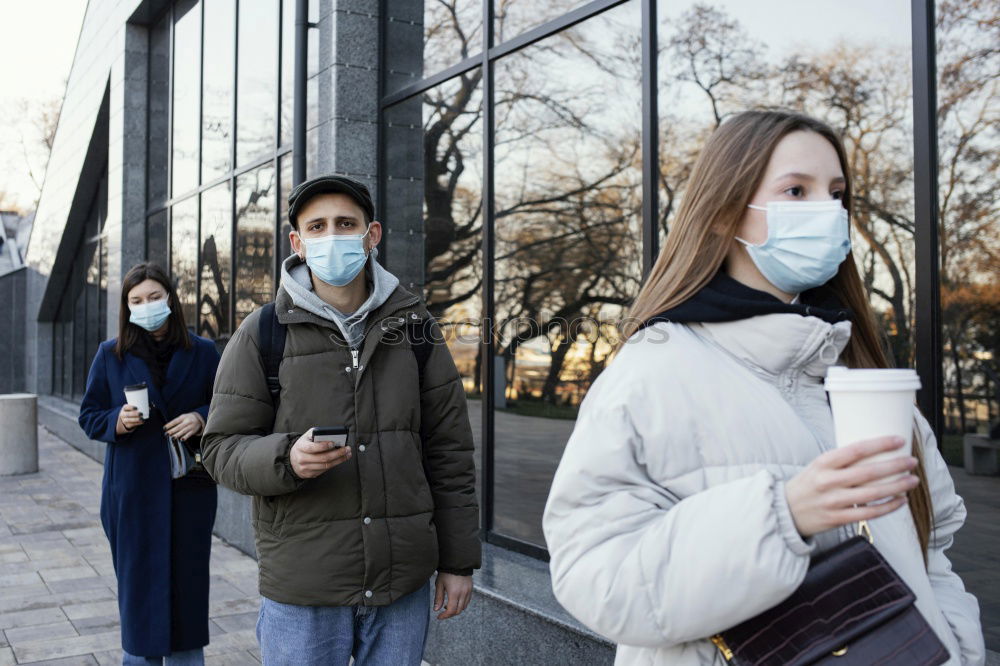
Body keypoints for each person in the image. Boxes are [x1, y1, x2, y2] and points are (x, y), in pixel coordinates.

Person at [542, 110, 984, 665]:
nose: (826, 211)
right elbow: (597, 578)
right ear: (727, 212)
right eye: (796, 190)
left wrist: (957, 648)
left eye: (837, 193)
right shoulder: (652, 371)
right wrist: (782, 515)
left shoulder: (858, 373)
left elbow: (931, 550)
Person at [201, 175, 480, 666]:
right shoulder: (263, 332)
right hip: (303, 587)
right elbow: (220, 448)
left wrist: (458, 562)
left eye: (345, 224)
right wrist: (285, 457)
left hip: (401, 587)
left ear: (371, 236)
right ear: (298, 243)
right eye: (318, 226)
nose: (333, 236)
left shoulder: (415, 330)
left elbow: (449, 454)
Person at [79, 263, 221, 665]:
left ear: (171, 298)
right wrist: (115, 421)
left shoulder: (204, 352)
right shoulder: (111, 354)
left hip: (189, 491)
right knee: (140, 603)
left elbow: (232, 404)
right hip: (132, 495)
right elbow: (89, 415)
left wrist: (202, 416)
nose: (146, 306)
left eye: (154, 296)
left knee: (187, 598)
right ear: (127, 307)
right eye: (136, 300)